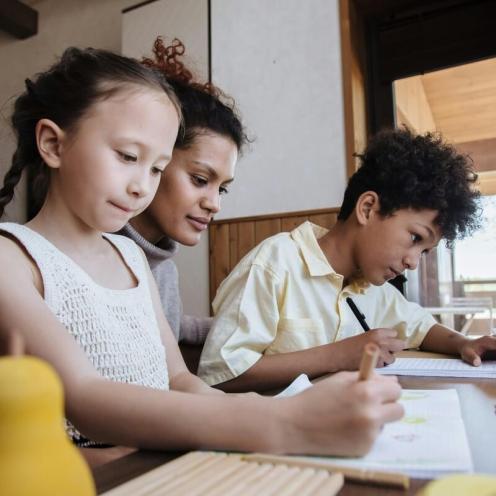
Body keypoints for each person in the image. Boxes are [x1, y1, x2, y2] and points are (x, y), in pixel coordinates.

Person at [0, 47, 403, 461]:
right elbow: (84, 397)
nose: (142, 185)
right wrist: (282, 424)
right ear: (52, 144)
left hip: (159, 460)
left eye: (156, 168)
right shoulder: (11, 258)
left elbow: (177, 376)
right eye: (127, 157)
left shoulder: (131, 257)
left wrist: (265, 408)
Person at [198, 128, 496, 392]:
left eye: (425, 251)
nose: (414, 262)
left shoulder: (372, 287)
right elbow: (220, 375)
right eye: (416, 238)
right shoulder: (274, 264)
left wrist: (462, 343)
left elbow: (422, 327)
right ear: (367, 208)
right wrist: (338, 355)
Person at [119, 38, 245, 346]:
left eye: (222, 190)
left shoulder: (164, 271)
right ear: (157, 159)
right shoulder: (101, 258)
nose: (214, 204)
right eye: (201, 179)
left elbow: (167, 328)